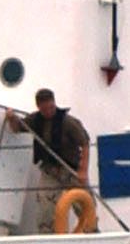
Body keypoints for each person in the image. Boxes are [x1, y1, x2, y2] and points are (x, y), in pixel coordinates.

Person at [8, 88, 91, 231]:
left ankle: (92, 230)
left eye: (51, 107)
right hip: (50, 171)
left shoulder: (68, 122)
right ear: (39, 107)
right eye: (44, 108)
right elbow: (17, 128)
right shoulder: (34, 120)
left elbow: (85, 143)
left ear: (54, 103)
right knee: (44, 205)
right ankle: (47, 234)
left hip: (71, 170)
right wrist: (11, 118)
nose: (48, 111)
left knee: (84, 203)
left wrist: (83, 171)